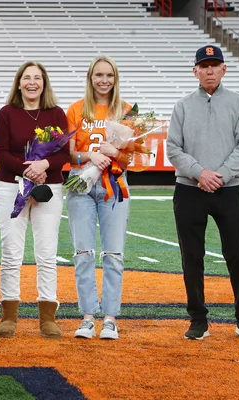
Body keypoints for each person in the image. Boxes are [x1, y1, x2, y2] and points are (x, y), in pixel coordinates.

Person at [167, 45, 239, 341]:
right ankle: (198, 319)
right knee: (191, 257)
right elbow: (173, 148)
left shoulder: (238, 103)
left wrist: (220, 175)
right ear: (195, 70)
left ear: (224, 69)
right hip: (189, 189)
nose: (209, 71)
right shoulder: (182, 106)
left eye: (214, 65)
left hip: (228, 189)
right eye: (204, 66)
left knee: (237, 254)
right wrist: (200, 173)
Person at [0, 61, 70, 339]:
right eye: (27, 78)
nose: (32, 83)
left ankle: (48, 316)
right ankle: (9, 316)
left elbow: (64, 154)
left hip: (48, 188)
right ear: (18, 83)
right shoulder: (7, 113)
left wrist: (44, 165)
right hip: (11, 187)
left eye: (37, 78)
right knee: (11, 252)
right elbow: (0, 153)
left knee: (47, 253)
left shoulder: (56, 113)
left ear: (44, 83)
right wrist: (28, 169)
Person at [65, 55, 131, 341]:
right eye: (99, 75)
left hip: (114, 184)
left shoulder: (126, 111)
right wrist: (89, 156)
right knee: (83, 253)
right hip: (81, 182)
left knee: (113, 254)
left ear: (115, 79)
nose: (104, 80)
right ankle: (88, 316)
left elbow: (134, 159)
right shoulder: (76, 109)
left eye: (109, 75)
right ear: (90, 78)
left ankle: (111, 318)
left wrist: (117, 154)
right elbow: (67, 153)